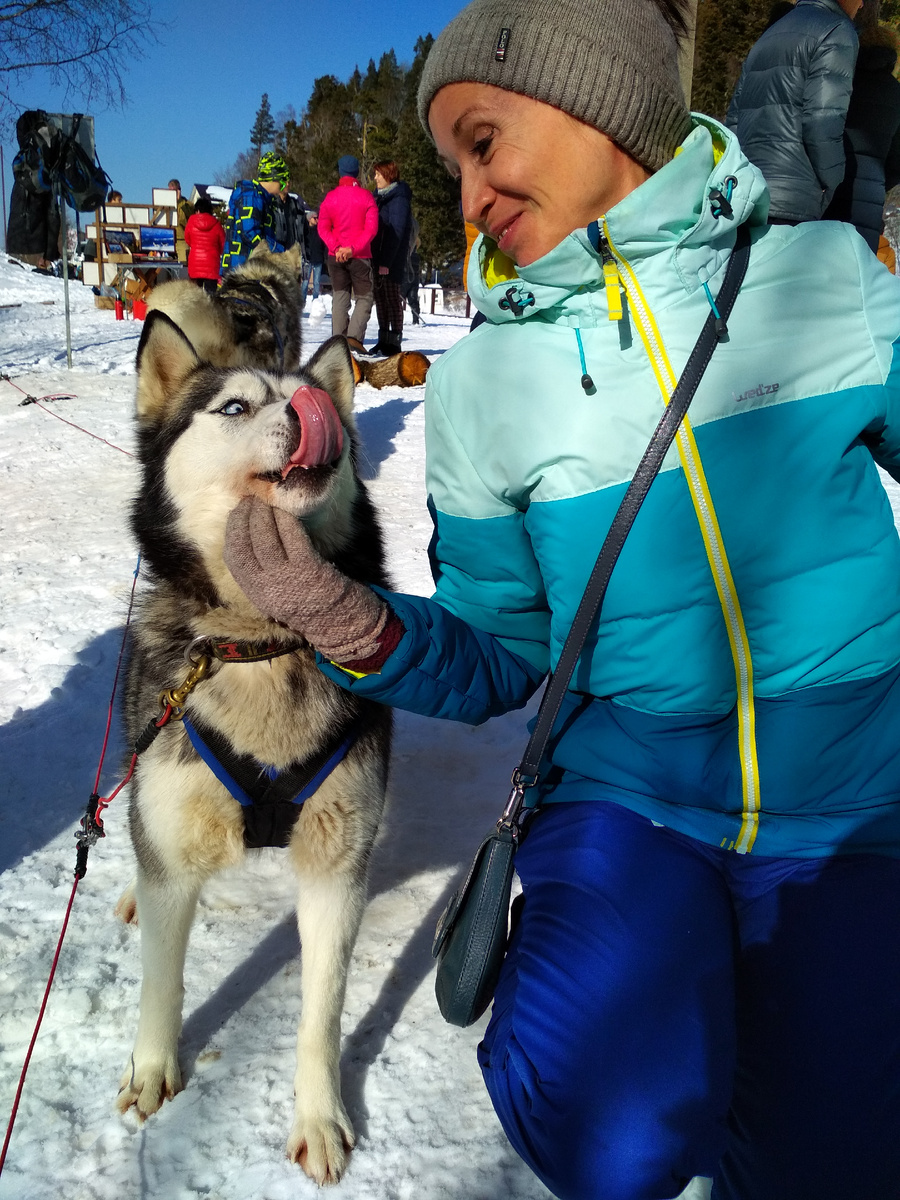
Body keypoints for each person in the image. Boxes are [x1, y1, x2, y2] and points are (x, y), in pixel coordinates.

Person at [221, 1, 900, 1198]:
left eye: (485, 143)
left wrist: (862, 263)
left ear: (602, 102)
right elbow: (497, 646)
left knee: (832, 1157)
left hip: (854, 808)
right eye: (450, 164)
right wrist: (347, 621)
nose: (469, 195)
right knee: (615, 1124)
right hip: (628, 804)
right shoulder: (483, 383)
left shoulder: (821, 271)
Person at [726, 0, 861, 223]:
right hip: (795, 196)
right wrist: (833, 181)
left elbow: (734, 120)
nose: (862, 5)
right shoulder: (837, 31)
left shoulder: (770, 34)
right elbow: (823, 121)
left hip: (748, 194)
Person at [824, 23, 900, 250]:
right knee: (857, 266)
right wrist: (876, 180)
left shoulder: (838, 82)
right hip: (869, 196)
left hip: (829, 185)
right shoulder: (896, 94)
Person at [317, 154, 379, 341]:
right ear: (357, 173)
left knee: (340, 297)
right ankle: (353, 340)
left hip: (335, 257)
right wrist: (352, 249)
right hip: (359, 256)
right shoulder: (367, 197)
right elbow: (371, 229)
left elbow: (323, 227)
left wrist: (336, 248)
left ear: (341, 173)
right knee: (364, 298)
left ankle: (338, 341)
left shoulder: (330, 197)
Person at [367, 159, 413, 355]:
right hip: (377, 257)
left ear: (389, 175)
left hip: (391, 260)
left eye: (378, 174)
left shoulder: (399, 199)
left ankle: (394, 342)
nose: (375, 177)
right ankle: (383, 339)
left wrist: (386, 261)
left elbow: (397, 231)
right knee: (381, 298)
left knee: (392, 299)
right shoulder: (379, 198)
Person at [220, 152, 290, 273]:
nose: (283, 187)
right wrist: (276, 250)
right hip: (242, 269)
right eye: (282, 182)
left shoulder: (262, 198)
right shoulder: (251, 196)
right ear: (273, 178)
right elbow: (249, 233)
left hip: (250, 268)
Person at [184, 195, 225, 293]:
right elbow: (223, 244)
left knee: (194, 297)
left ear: (197, 210)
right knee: (210, 297)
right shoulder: (216, 224)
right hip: (212, 264)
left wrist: (195, 246)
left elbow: (187, 239)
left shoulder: (191, 222)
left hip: (195, 263)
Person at [301, 209, 326, 302]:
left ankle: (315, 301)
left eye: (318, 218)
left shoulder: (320, 230)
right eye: (315, 218)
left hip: (318, 258)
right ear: (309, 219)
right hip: (308, 259)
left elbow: (323, 244)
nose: (317, 220)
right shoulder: (304, 231)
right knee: (305, 282)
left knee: (316, 282)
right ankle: (302, 301)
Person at [168, 179, 194, 263]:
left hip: (181, 239)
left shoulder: (187, 204)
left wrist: (178, 201)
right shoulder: (165, 204)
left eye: (174, 191)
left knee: (183, 265)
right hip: (168, 239)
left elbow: (187, 220)